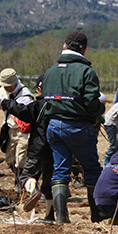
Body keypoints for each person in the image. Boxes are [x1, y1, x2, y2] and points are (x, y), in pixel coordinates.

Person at [43, 31, 105, 223]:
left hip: (53, 126)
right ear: (85, 49)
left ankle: (61, 217)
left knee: (60, 171)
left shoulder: (50, 71)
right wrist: (100, 109)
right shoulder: (87, 72)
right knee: (92, 169)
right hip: (78, 127)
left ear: (64, 46)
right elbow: (91, 103)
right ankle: (97, 214)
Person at [0, 74, 55, 220]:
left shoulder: (38, 105)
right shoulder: (60, 105)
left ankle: (33, 191)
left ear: (40, 88)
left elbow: (22, 111)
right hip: (55, 150)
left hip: (38, 149)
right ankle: (49, 215)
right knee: (49, 183)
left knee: (26, 176)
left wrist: (5, 104)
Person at [0, 68, 35, 192]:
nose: (6, 88)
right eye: (4, 86)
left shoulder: (25, 95)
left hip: (23, 132)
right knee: (9, 158)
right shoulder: (2, 90)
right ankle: (21, 178)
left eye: (8, 86)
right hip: (9, 129)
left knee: (21, 160)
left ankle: (22, 184)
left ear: (14, 83)